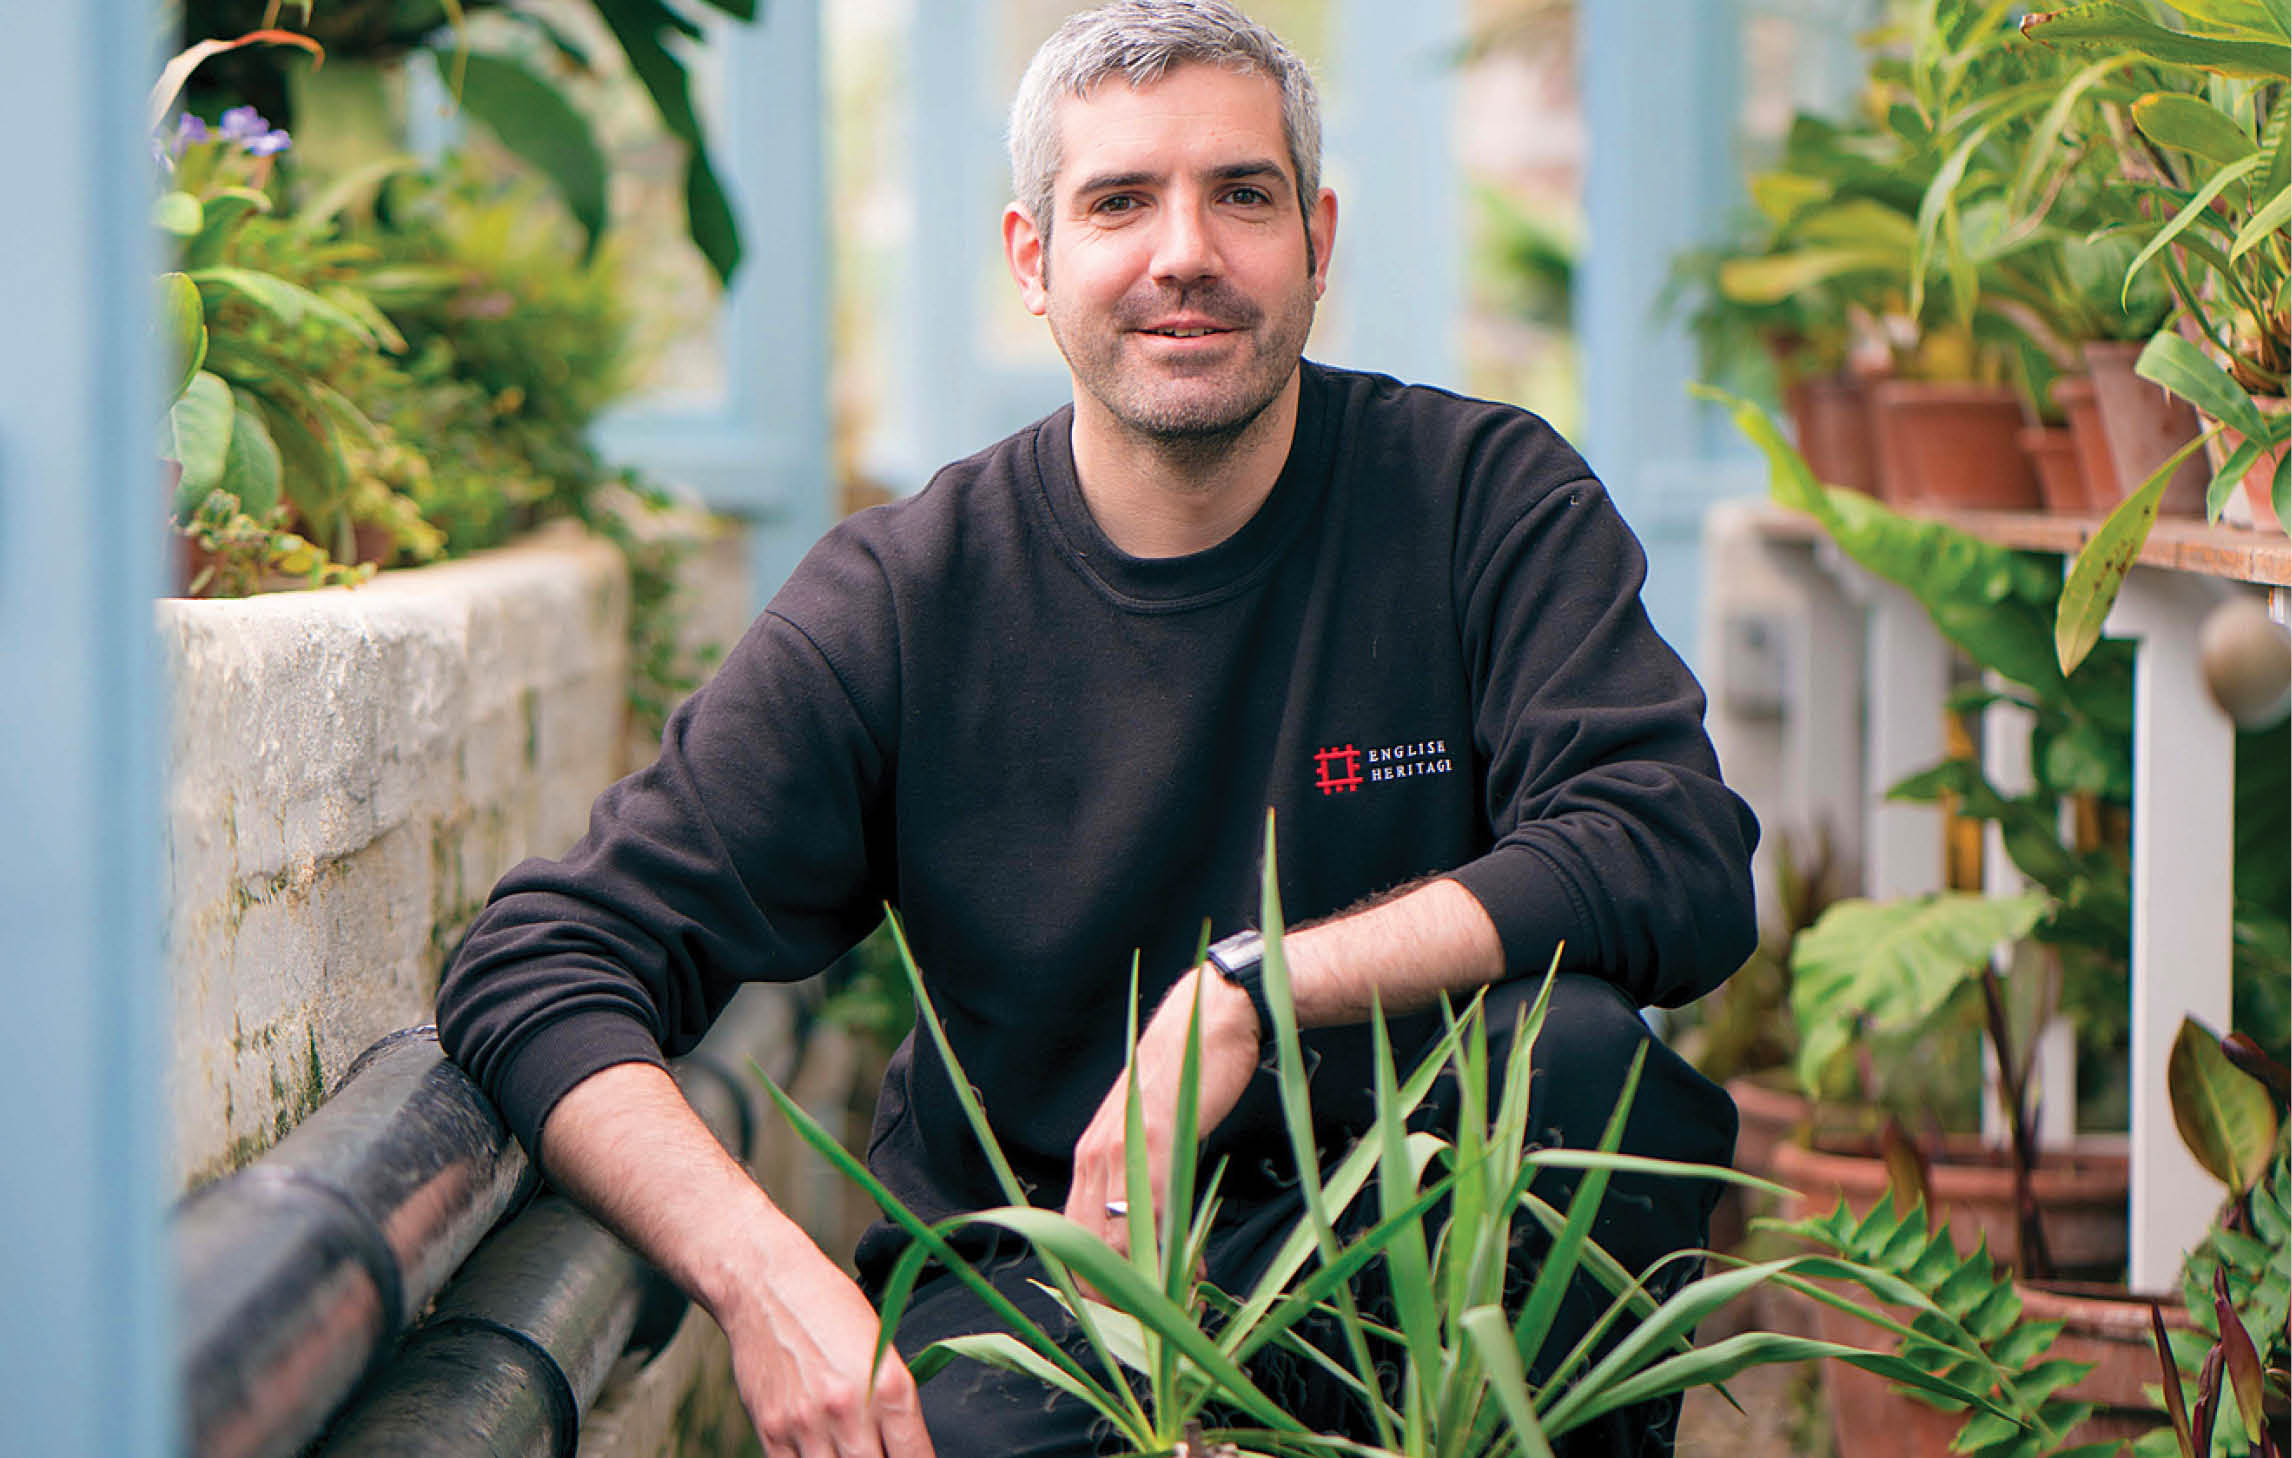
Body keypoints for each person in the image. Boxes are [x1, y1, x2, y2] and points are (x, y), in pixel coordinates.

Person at [437, 3, 1758, 1454]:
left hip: (1420, 1268)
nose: (1184, 251)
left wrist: (1250, 990)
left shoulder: (1474, 498)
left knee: (1579, 1066)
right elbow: (541, 960)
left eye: (1241, 194)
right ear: (1032, 259)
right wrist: (763, 1277)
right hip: (1048, 1309)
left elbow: (1669, 852)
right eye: (1120, 200)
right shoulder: (906, 597)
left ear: (1317, 239)